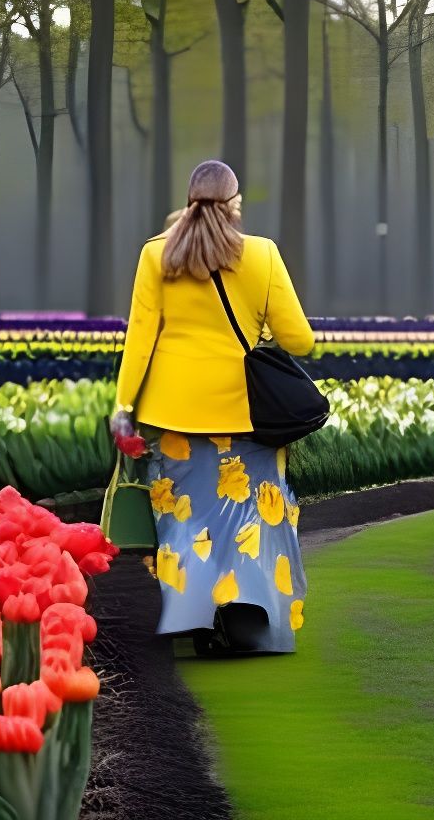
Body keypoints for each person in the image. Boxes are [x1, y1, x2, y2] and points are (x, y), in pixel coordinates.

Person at [109, 159, 315, 655]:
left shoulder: (155, 255)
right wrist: (260, 334)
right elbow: (299, 339)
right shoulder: (263, 255)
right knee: (249, 519)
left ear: (190, 202)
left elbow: (140, 338)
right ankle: (249, 622)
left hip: (174, 416)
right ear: (235, 205)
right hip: (247, 417)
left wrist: (123, 405)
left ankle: (193, 613)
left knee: (185, 516)